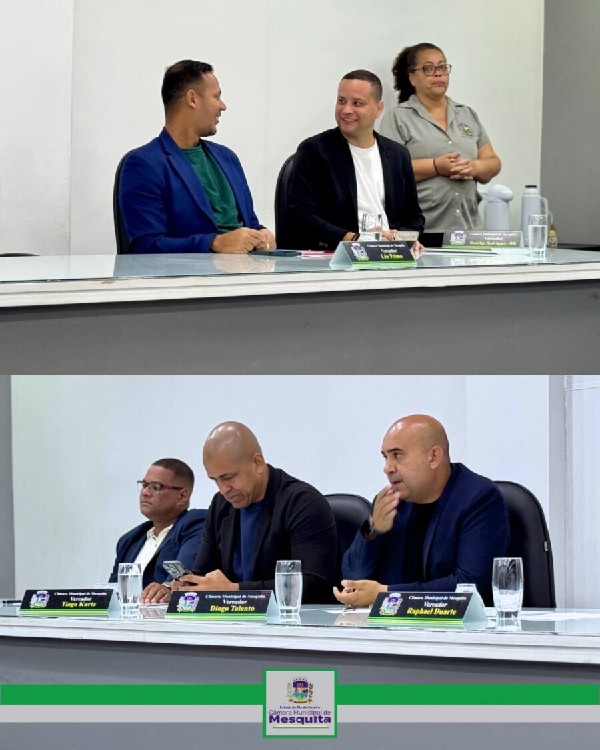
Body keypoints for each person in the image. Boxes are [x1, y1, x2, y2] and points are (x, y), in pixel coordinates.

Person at [145, 422, 337, 604]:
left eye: (228, 477)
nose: (223, 489)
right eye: (215, 480)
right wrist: (182, 586)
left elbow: (314, 585)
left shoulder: (302, 503)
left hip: (293, 622)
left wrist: (234, 590)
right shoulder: (221, 505)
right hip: (234, 621)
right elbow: (203, 572)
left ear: (257, 463)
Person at [334, 415, 509, 607]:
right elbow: (352, 580)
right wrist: (374, 531)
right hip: (394, 623)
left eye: (397, 455)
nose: (387, 468)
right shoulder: (391, 502)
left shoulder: (478, 498)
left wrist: (387, 594)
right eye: (385, 457)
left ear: (433, 457)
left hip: (460, 624)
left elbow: (470, 585)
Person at [119, 59, 276, 254]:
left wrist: (262, 235)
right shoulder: (144, 164)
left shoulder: (228, 158)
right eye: (216, 97)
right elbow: (145, 247)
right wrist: (213, 243)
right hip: (193, 273)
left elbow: (250, 223)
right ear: (192, 99)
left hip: (247, 268)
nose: (223, 106)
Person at [286, 69, 424, 250]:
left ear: (378, 109)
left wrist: (402, 238)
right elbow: (301, 214)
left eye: (357, 103)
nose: (346, 110)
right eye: (341, 101)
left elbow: (414, 216)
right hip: (338, 253)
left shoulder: (398, 154)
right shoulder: (314, 150)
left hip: (390, 252)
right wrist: (355, 239)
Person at [379, 44, 501, 241]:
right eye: (428, 69)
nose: (438, 74)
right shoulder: (398, 117)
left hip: (467, 229)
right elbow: (389, 171)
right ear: (412, 77)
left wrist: (473, 167)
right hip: (420, 231)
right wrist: (436, 166)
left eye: (442, 67)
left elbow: (493, 162)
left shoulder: (466, 113)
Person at [109, 458, 206, 600]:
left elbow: (186, 569)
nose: (145, 492)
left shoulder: (195, 524)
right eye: (144, 485)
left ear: (182, 496)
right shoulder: (129, 540)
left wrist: (168, 587)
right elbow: (112, 590)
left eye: (155, 487)